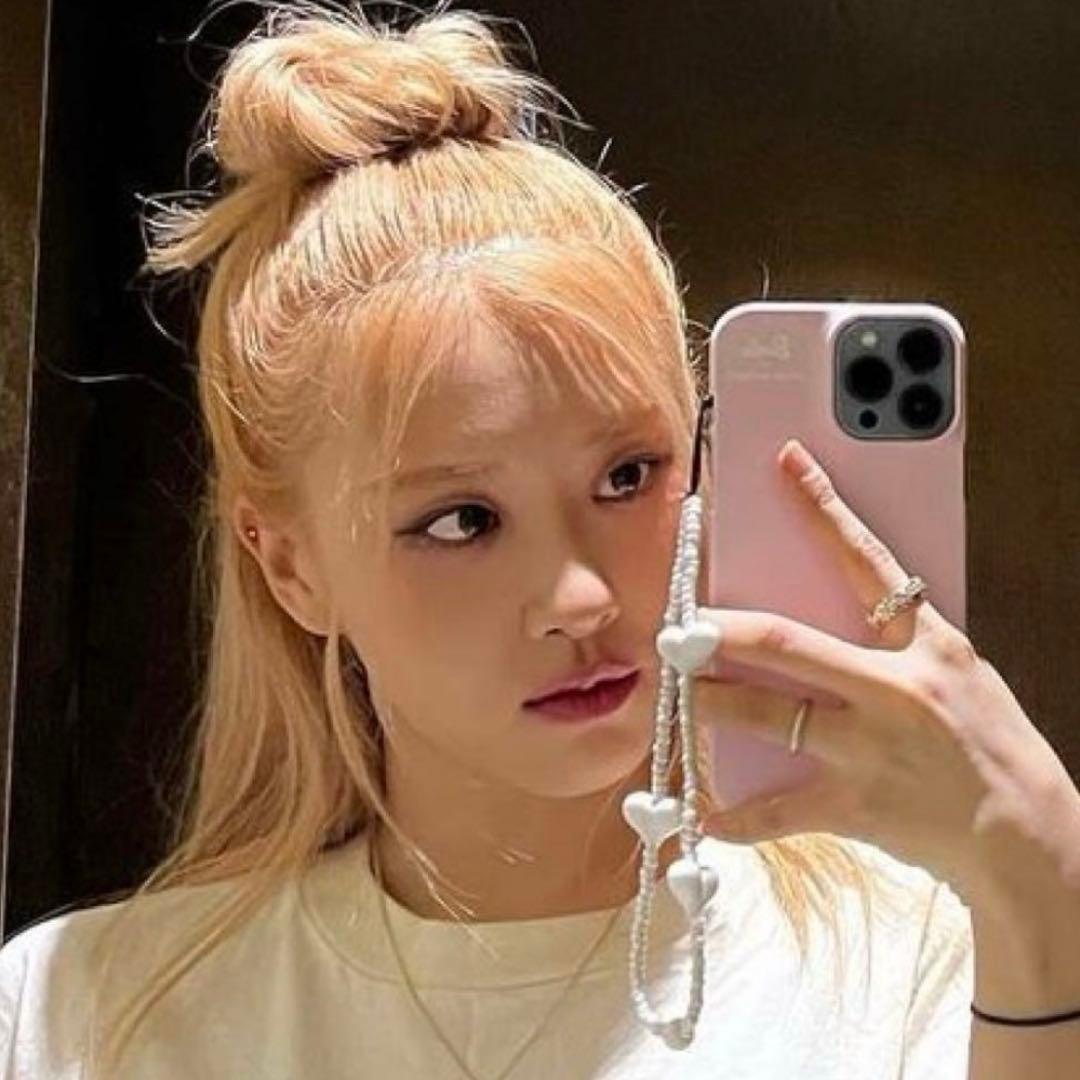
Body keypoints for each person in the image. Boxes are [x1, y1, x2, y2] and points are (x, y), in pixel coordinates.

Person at [6, 2, 1079, 1077]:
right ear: (290, 564)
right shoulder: (84, 1016)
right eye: (461, 520)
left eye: (627, 476)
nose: (578, 599)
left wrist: (1048, 889)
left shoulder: (925, 969)